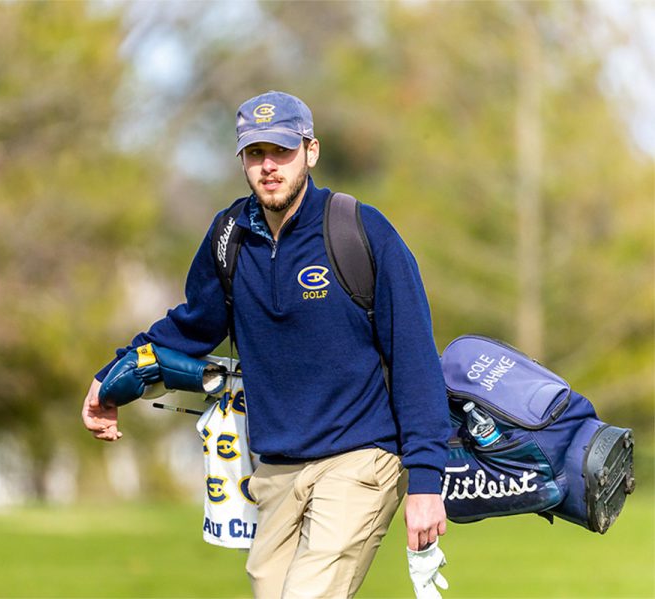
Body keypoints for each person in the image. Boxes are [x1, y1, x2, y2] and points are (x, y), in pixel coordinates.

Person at [82, 90, 450, 598]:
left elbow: (415, 359)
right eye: (256, 154)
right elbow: (192, 326)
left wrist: (426, 479)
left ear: (310, 151)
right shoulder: (229, 237)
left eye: (281, 151)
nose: (269, 166)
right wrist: (112, 377)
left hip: (360, 460)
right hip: (275, 468)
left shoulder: (360, 231)